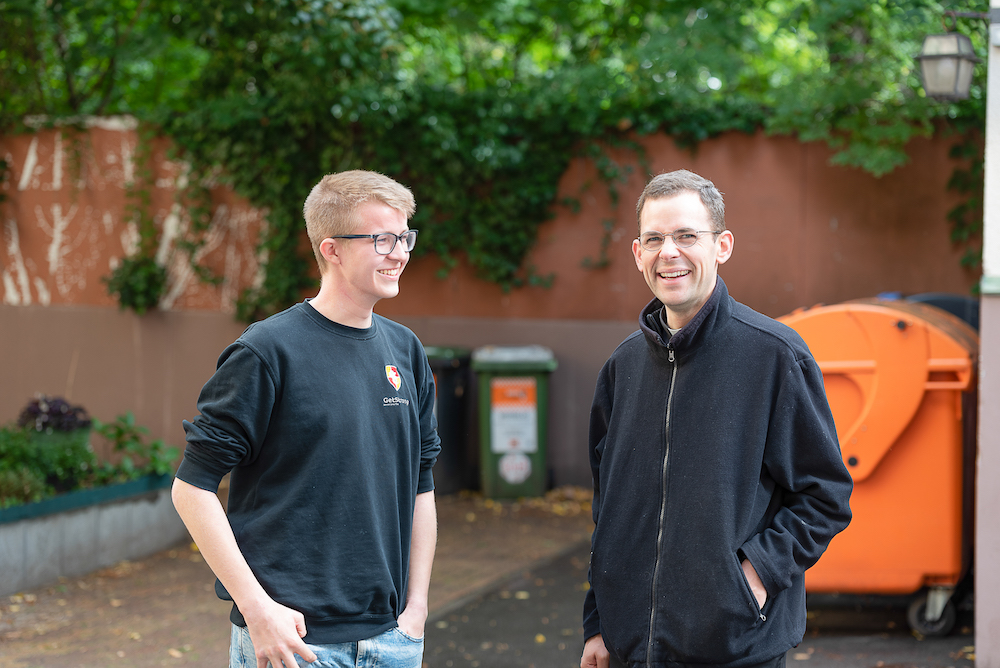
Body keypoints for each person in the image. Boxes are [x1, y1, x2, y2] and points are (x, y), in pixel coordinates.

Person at [581, 170, 853, 668]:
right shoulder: (622, 367)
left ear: (722, 245)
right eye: (654, 239)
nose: (669, 252)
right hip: (628, 650)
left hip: (735, 648)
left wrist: (754, 575)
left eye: (686, 235)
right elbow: (609, 510)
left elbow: (825, 496)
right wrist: (597, 622)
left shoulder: (775, 356)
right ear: (637, 253)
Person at [172, 170, 441, 668]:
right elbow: (192, 488)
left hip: (393, 640)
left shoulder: (406, 350)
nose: (400, 253)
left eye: (405, 237)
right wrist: (257, 610)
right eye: (382, 239)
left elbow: (421, 484)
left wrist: (417, 609)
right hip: (295, 643)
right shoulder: (267, 351)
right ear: (331, 249)